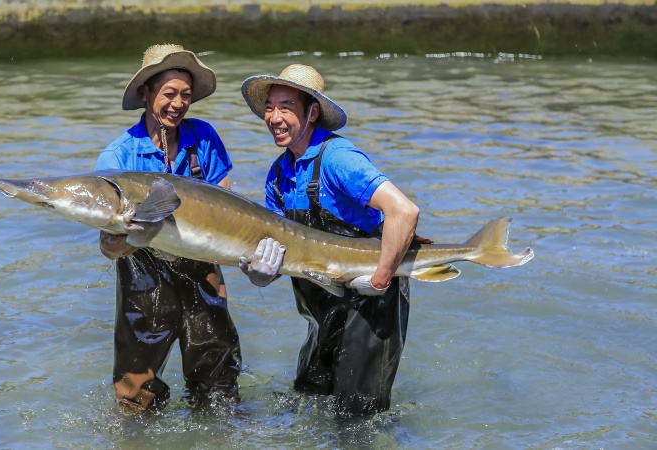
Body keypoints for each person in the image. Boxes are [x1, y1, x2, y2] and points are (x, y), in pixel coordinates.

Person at [237, 64, 421, 419]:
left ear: (313, 112)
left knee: (357, 420)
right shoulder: (278, 175)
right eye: (270, 108)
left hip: (371, 304)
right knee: (311, 397)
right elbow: (283, 251)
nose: (274, 117)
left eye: (286, 106)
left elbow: (404, 211)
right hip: (321, 310)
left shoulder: (338, 158)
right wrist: (261, 272)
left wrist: (380, 279)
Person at [95, 44, 241, 412]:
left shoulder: (204, 137)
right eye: (169, 93)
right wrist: (126, 239)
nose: (178, 104)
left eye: (186, 95)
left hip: (202, 269)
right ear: (145, 93)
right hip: (143, 279)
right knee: (136, 395)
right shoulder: (118, 157)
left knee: (218, 384)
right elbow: (107, 246)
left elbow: (227, 203)